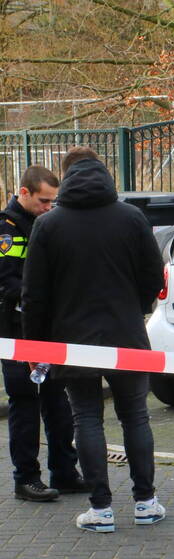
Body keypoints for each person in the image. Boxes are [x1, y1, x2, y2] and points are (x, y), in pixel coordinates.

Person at [21, 147, 165, 533]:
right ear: (103, 172)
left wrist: (34, 346)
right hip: (127, 335)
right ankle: (146, 502)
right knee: (135, 416)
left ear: (65, 177)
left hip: (73, 339)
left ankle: (101, 509)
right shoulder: (132, 217)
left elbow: (34, 294)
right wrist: (134, 309)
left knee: (86, 418)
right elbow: (155, 276)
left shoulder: (50, 225)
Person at [0, 166, 87, 502]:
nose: (49, 206)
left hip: (50, 330)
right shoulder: (8, 229)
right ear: (24, 193)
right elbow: (7, 283)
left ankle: (64, 472)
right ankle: (26, 479)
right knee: (25, 405)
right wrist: (43, 299)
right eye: (43, 200)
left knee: (58, 403)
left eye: (53, 201)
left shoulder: (47, 223)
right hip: (18, 331)